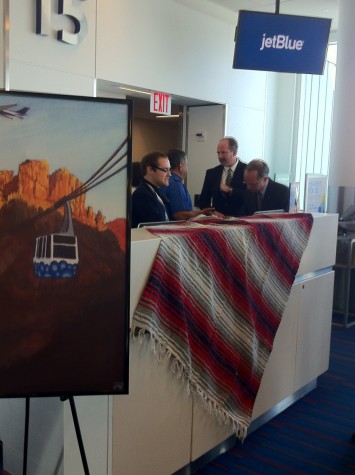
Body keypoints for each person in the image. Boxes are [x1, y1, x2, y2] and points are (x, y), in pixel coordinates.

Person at [160, 149, 215, 220]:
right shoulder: (176, 185)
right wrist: (202, 213)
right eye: (186, 165)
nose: (187, 168)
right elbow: (180, 215)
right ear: (180, 167)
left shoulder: (165, 180)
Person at [199, 136, 246, 217]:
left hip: (241, 221)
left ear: (234, 152)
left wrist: (230, 190)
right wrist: (212, 213)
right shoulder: (211, 173)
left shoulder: (247, 171)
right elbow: (203, 201)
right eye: (218, 153)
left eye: (223, 152)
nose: (220, 156)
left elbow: (251, 197)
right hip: (217, 222)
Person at [131, 151, 171, 228]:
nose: (169, 174)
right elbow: (157, 227)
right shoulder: (143, 195)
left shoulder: (153, 191)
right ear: (150, 170)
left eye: (169, 170)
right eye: (165, 170)